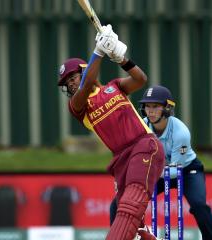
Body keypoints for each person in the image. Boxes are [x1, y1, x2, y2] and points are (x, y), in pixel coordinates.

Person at [57, 24, 165, 240]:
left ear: (84, 70)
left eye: (72, 78)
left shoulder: (114, 87)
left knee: (129, 207)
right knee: (135, 226)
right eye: (66, 82)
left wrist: (120, 58)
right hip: (121, 161)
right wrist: (99, 51)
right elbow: (86, 85)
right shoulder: (78, 106)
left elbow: (140, 80)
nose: (70, 84)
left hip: (143, 146)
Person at [110, 85, 212, 240]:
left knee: (199, 205)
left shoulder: (180, 133)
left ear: (167, 108)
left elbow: (175, 170)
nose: (150, 111)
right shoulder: (141, 127)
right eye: (147, 106)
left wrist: (147, 173)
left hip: (187, 170)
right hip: (157, 172)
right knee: (120, 202)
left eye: (155, 106)